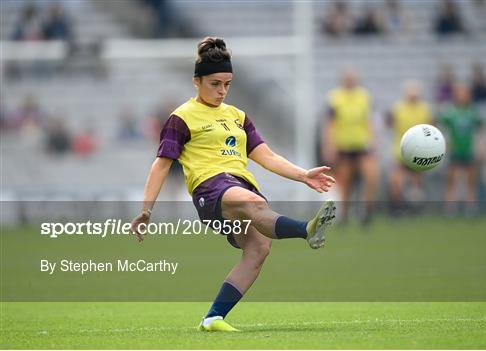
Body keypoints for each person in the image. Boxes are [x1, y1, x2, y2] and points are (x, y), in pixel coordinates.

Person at [130, 37, 336, 332]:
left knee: (259, 248)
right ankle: (307, 230)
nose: (222, 91)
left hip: (239, 186)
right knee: (254, 204)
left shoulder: (237, 116)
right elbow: (161, 164)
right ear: (196, 81)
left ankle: (213, 318)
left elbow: (266, 156)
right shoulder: (181, 117)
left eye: (227, 84)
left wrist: (303, 175)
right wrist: (147, 211)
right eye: (215, 84)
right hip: (210, 190)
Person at [322, 69, 378, 225]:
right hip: (344, 146)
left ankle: (367, 212)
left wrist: (373, 139)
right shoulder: (335, 98)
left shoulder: (364, 96)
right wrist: (329, 144)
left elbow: (370, 120)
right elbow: (330, 123)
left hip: (362, 145)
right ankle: (345, 214)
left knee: (371, 177)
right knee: (345, 183)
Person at [439, 84, 486, 214]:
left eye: (464, 94)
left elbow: (482, 129)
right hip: (455, 151)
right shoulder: (451, 112)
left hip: (468, 151)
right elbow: (441, 128)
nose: (462, 97)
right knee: (451, 180)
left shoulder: (472, 112)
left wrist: (482, 146)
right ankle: (450, 208)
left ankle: (470, 207)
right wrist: (445, 144)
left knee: (470, 181)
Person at [387, 80, 432, 214]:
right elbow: (390, 124)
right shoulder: (398, 108)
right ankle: (397, 208)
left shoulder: (425, 109)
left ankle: (414, 209)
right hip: (401, 152)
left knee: (416, 184)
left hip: (420, 152)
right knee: (396, 182)